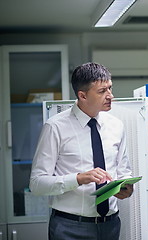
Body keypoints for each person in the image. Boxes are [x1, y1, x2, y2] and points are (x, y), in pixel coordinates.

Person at [30, 62, 133, 240]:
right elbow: (37, 184)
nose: (110, 96)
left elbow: (124, 171)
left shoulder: (116, 125)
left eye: (110, 88)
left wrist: (125, 189)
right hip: (70, 227)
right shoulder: (55, 127)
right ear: (82, 96)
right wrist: (78, 179)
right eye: (102, 91)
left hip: (110, 225)